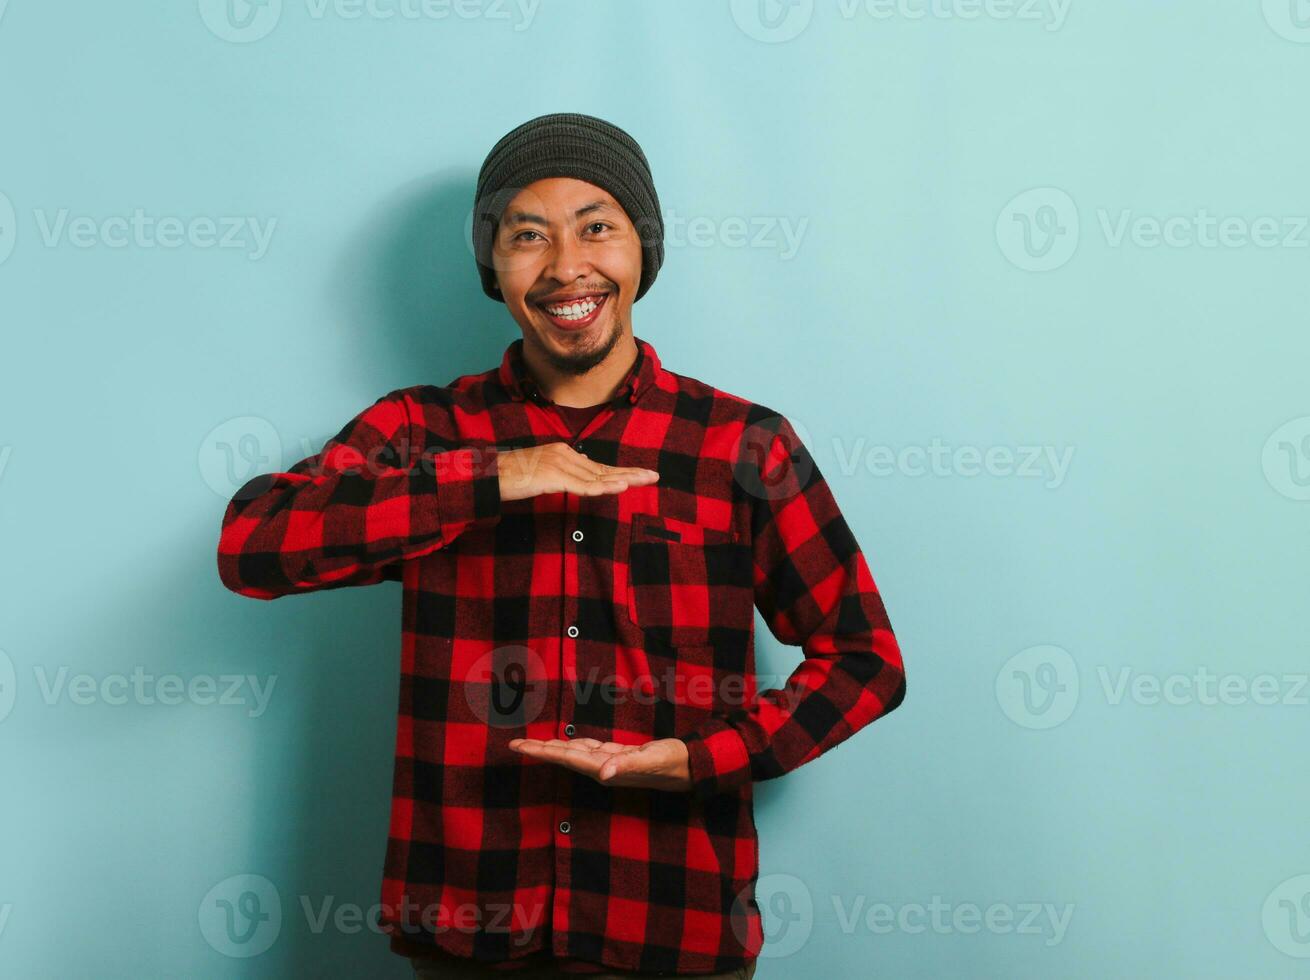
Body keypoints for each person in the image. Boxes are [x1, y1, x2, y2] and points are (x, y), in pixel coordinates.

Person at [216, 112, 906, 979]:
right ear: (493, 267)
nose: (566, 266)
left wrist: (701, 758)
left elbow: (865, 660)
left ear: (640, 253)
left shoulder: (741, 446)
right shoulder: (423, 430)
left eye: (597, 228)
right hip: (468, 927)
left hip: (671, 921)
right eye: (526, 236)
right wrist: (496, 476)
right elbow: (253, 545)